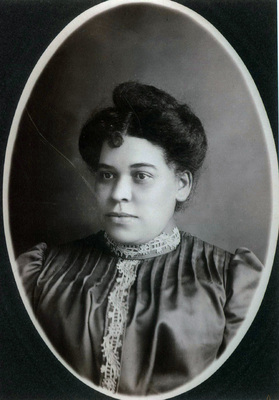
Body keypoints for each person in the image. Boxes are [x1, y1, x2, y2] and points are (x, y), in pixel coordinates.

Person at [17, 82, 263, 396]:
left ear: (182, 184)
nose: (118, 194)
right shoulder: (39, 274)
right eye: (106, 174)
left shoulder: (230, 283)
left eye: (141, 175)